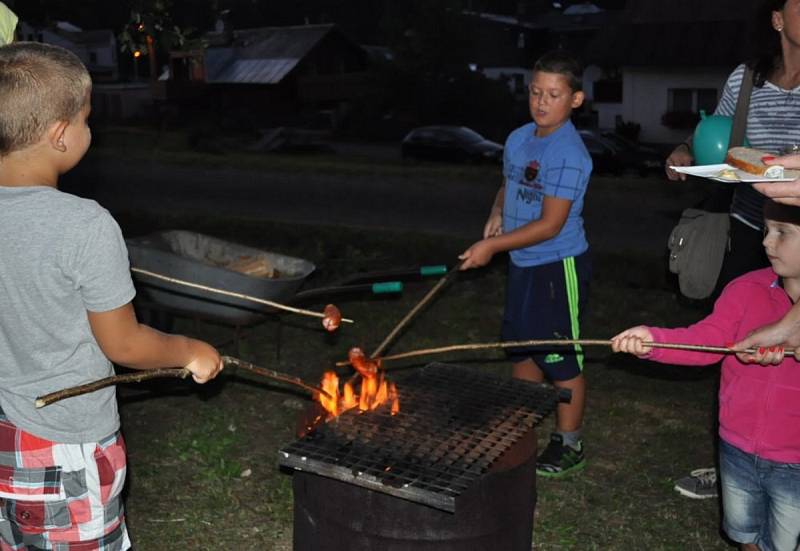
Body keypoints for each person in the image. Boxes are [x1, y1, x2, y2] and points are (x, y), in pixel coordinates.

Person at [0, 42, 223, 549]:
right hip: (64, 443)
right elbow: (124, 345)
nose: (89, 131)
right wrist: (189, 350)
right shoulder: (85, 225)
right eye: (86, 119)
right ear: (60, 136)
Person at [663, 0, 800, 499]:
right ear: (779, 19)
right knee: (740, 347)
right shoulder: (747, 79)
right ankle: (736, 461)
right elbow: (718, 137)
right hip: (750, 228)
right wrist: (685, 152)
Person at [611, 199, 800, 551]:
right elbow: (706, 340)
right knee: (747, 535)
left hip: (794, 460)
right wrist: (655, 341)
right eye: (765, 230)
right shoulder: (746, 289)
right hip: (737, 447)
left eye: (782, 233)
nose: (765, 242)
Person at [459, 50, 592, 478]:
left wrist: (491, 249)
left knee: (559, 357)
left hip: (556, 264)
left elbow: (551, 225)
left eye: (553, 94)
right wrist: (497, 212)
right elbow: (508, 184)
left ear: (575, 100)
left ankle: (570, 443)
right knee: (522, 347)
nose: (541, 102)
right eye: (536, 92)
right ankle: (518, 430)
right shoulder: (519, 138)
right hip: (522, 261)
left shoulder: (570, 153)